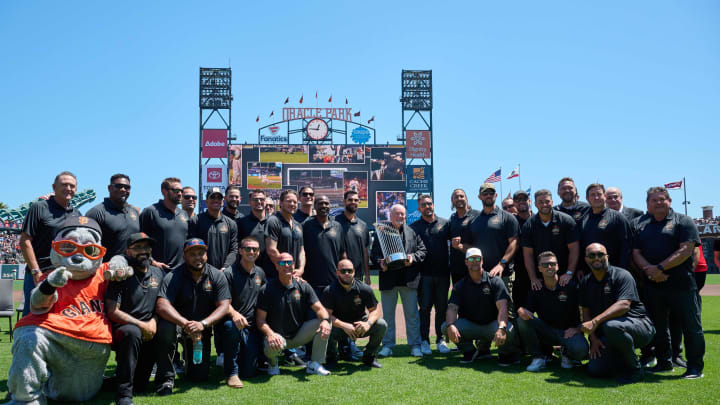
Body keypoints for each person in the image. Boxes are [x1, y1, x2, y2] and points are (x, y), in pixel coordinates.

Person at [632, 186, 704, 379]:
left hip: (681, 285)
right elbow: (636, 252)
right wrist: (649, 270)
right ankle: (664, 363)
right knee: (658, 328)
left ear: (669, 201)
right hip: (653, 285)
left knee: (691, 326)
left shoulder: (683, 221)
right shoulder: (641, 224)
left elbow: (687, 249)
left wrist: (661, 268)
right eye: (654, 200)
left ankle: (695, 367)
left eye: (662, 199)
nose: (658, 203)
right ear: (647, 204)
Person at [154, 239, 231, 395]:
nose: (198, 257)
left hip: (202, 329)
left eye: (201, 253)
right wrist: (185, 324)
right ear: (184, 256)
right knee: (165, 328)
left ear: (206, 255)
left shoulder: (216, 275)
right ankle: (166, 379)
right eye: (192, 254)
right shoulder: (174, 275)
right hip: (177, 324)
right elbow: (162, 305)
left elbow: (224, 306)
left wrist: (203, 324)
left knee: (198, 377)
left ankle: (187, 359)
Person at [580, 243, 655, 384]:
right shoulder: (585, 282)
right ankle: (623, 361)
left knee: (611, 326)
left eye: (600, 254)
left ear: (607, 256)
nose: (596, 258)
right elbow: (586, 313)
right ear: (586, 259)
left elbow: (624, 305)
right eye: (592, 255)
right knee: (595, 370)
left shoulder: (622, 275)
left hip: (640, 326)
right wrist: (593, 339)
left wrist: (595, 322)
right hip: (611, 334)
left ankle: (636, 370)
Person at [105, 233, 165, 405]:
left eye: (146, 247)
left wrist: (152, 322)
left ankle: (164, 380)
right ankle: (124, 396)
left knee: (140, 385)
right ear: (127, 252)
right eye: (137, 248)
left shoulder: (157, 272)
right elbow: (112, 311)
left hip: (149, 328)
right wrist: (141, 325)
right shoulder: (121, 274)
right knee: (132, 332)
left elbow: (161, 305)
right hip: (124, 329)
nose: (143, 251)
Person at [255, 253, 332, 376]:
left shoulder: (303, 286)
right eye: (282, 263)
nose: (286, 265)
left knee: (324, 322)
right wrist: (270, 334)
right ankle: (273, 364)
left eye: (289, 262)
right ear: (277, 267)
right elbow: (260, 320)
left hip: (298, 335)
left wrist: (324, 321)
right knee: (272, 343)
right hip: (277, 337)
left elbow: (320, 309)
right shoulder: (267, 289)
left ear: (294, 265)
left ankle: (315, 364)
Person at [442, 248, 521, 365]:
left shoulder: (495, 281)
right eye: (471, 259)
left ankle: (506, 354)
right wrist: (450, 325)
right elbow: (452, 308)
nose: (474, 261)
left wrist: (502, 327)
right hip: (472, 325)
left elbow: (503, 308)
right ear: (466, 262)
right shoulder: (460, 285)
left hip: (492, 326)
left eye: (477, 258)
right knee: (445, 327)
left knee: (508, 329)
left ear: (482, 261)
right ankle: (470, 351)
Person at [19, 171, 80, 315]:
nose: (68, 188)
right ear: (54, 187)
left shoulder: (76, 214)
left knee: (60, 317)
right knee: (33, 316)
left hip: (66, 274)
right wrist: (35, 271)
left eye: (72, 186)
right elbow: (25, 240)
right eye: (64, 184)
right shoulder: (39, 207)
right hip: (41, 273)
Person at [516, 251, 588, 372]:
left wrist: (577, 329)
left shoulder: (571, 286)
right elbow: (526, 311)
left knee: (581, 351)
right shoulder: (536, 288)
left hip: (569, 332)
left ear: (557, 266)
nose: (549, 267)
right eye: (545, 265)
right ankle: (538, 357)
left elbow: (585, 310)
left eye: (552, 264)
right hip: (547, 331)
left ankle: (567, 354)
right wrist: (520, 310)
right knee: (521, 319)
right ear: (539, 268)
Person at [371, 204, 427, 358]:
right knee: (388, 315)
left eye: (403, 214)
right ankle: (388, 345)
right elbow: (374, 254)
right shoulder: (381, 232)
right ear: (390, 216)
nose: (401, 217)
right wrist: (379, 262)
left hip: (408, 280)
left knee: (412, 314)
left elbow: (422, 251)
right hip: (389, 279)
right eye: (397, 214)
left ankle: (415, 345)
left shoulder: (412, 232)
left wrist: (413, 258)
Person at [322, 259, 387, 368]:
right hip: (340, 327)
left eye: (349, 270)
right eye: (343, 271)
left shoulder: (364, 288)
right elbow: (326, 315)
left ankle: (369, 356)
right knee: (325, 326)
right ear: (337, 272)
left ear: (354, 272)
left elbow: (375, 310)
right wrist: (344, 325)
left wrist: (368, 324)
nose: (346, 273)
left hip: (359, 326)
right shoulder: (329, 290)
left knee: (381, 325)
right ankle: (331, 358)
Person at [222, 237, 266, 388]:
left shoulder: (260, 273)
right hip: (232, 324)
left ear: (259, 252)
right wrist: (234, 314)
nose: (251, 252)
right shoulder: (228, 274)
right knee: (230, 326)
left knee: (249, 372)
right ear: (240, 251)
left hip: (251, 326)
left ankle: (243, 357)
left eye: (255, 249)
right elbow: (221, 302)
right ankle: (231, 373)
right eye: (248, 249)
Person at [410, 194, 451, 354]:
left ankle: (440, 339)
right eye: (423, 205)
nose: (427, 206)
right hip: (423, 275)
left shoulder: (445, 224)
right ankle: (424, 340)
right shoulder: (414, 227)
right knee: (425, 309)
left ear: (433, 205)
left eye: (429, 203)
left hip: (442, 274)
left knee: (442, 308)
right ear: (419, 208)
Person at [521, 189, 580, 291]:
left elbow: (574, 249)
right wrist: (533, 278)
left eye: (547, 201)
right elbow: (528, 254)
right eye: (541, 202)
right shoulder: (528, 225)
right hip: (541, 278)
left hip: (564, 276)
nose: (544, 204)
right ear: (535, 204)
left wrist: (569, 273)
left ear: (552, 202)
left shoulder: (566, 221)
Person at [86, 173, 141, 262]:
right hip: (107, 271)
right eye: (118, 186)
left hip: (133, 271)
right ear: (109, 188)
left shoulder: (134, 212)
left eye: (127, 187)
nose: (123, 190)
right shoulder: (97, 212)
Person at [140, 177, 189, 272]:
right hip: (157, 270)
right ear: (164, 191)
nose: (179, 194)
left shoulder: (184, 214)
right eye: (175, 190)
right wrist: (152, 262)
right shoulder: (150, 212)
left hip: (180, 272)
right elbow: (140, 241)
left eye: (181, 191)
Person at [579, 183, 632, 271]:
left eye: (599, 194)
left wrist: (621, 271)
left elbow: (626, 247)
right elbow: (581, 246)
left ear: (605, 196)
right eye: (593, 195)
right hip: (588, 272)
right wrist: (580, 268)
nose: (596, 197)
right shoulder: (582, 220)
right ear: (587, 199)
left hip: (613, 270)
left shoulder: (618, 218)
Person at [302, 195, 346, 297]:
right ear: (315, 206)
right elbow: (301, 251)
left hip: (333, 282)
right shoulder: (306, 226)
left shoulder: (337, 226)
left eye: (326, 203)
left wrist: (343, 272)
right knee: (313, 313)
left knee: (333, 313)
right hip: (311, 283)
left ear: (330, 206)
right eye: (320, 203)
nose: (324, 206)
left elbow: (342, 252)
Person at [188, 187, 238, 271]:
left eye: (219, 197)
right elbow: (191, 248)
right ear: (206, 201)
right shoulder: (196, 220)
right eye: (212, 197)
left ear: (223, 201)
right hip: (201, 271)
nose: (216, 200)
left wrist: (225, 267)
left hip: (224, 272)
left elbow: (234, 250)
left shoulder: (231, 224)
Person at [335, 190, 371, 284]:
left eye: (356, 200)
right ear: (344, 201)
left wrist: (367, 275)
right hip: (337, 274)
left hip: (357, 275)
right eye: (350, 200)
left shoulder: (363, 225)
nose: (353, 202)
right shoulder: (334, 222)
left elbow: (365, 252)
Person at [449, 189, 480, 284]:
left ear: (466, 198)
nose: (459, 198)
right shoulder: (452, 218)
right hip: (457, 269)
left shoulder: (477, 215)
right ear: (452, 201)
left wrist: (461, 247)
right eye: (456, 197)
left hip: (474, 266)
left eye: (461, 196)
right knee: (459, 298)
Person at [237, 190, 270, 274]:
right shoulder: (242, 223)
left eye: (261, 199)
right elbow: (237, 248)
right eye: (255, 200)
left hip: (272, 272)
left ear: (265, 201)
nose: (259, 202)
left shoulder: (274, 222)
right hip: (248, 271)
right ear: (250, 202)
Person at [511, 190, 532, 311]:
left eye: (524, 199)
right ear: (514, 204)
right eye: (518, 200)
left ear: (529, 201)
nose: (521, 202)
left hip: (541, 274)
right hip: (520, 275)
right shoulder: (512, 222)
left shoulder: (538, 219)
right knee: (521, 312)